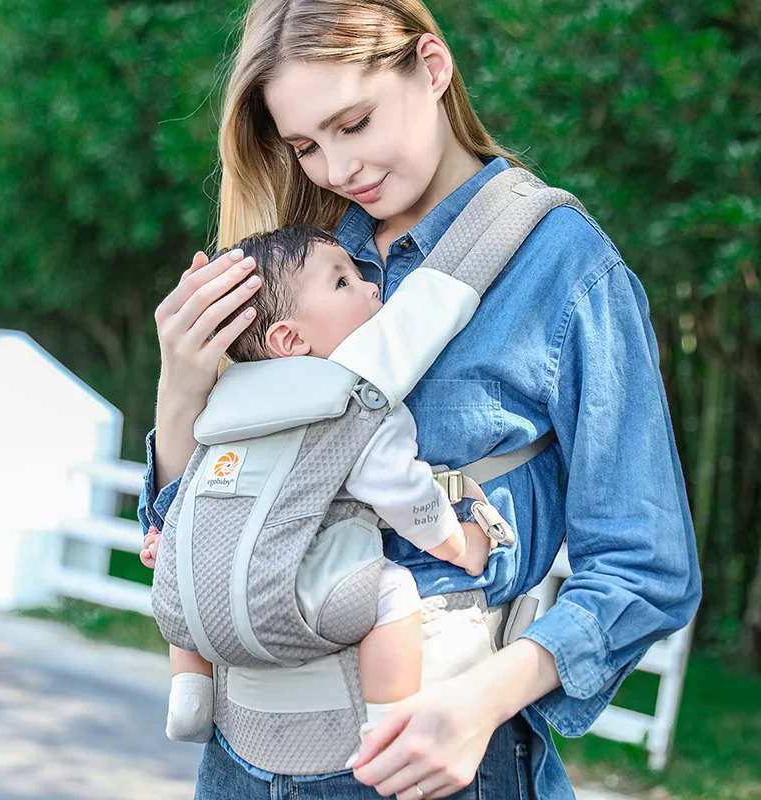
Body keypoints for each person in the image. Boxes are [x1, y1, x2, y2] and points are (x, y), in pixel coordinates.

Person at [138, 1, 701, 797]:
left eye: (355, 122)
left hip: (432, 762)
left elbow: (647, 568)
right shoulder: (298, 257)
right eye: (305, 145)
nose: (336, 169)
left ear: (432, 69)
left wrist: (480, 703)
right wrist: (179, 394)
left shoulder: (561, 266)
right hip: (238, 760)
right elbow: (194, 528)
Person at [160, 223, 495, 746]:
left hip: (189, 606)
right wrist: (459, 544)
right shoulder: (352, 401)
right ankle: (388, 724)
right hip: (292, 597)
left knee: (194, 569)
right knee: (394, 593)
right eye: (343, 283)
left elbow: (198, 487)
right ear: (291, 339)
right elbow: (403, 491)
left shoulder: (225, 397)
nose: (371, 287)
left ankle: (189, 693)